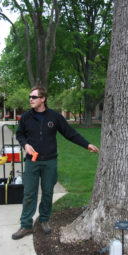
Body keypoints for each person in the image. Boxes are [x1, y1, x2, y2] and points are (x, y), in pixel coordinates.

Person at [12, 86, 99, 240]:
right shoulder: (26, 117)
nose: (30, 100)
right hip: (32, 162)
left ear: (43, 99)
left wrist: (86, 144)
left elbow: (70, 133)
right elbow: (20, 134)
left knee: (47, 192)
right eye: (30, 97)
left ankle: (44, 220)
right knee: (29, 193)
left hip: (50, 161)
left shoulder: (54, 117)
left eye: (34, 97)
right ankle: (26, 225)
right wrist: (25, 144)